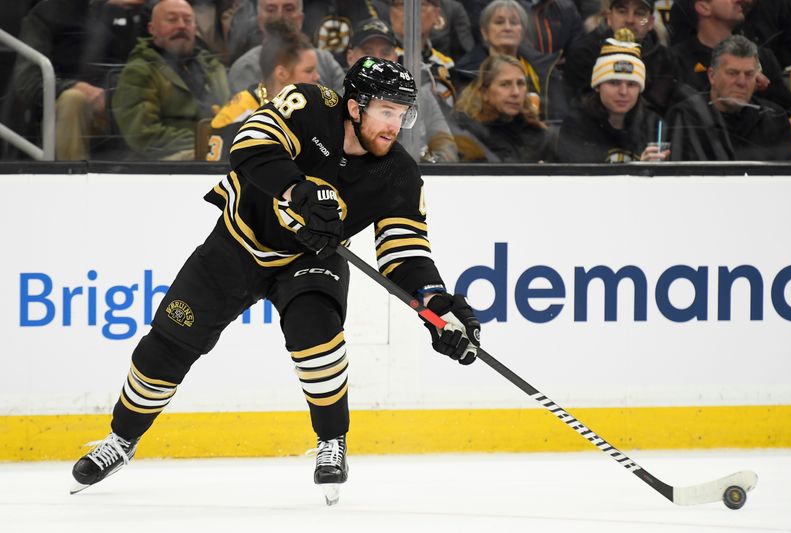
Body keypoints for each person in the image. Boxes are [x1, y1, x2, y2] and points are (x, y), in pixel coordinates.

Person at [70, 56, 482, 505]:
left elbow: (406, 252)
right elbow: (248, 144)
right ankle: (122, 439)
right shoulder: (308, 103)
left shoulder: (398, 173)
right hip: (236, 243)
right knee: (167, 342)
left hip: (309, 260)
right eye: (387, 111)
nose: (395, 125)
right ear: (354, 106)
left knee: (317, 334)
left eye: (403, 114)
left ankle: (332, 442)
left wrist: (437, 306)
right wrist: (297, 190)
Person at [10, 0, 150, 160]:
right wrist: (74, 87)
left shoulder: (122, 13)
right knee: (74, 99)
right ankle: (73, 176)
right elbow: (27, 81)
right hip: (64, 114)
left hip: (118, 110)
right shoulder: (46, 13)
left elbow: (144, 67)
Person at [111, 0, 229, 160]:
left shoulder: (213, 67)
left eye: (187, 20)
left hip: (218, 148)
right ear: (152, 29)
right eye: (172, 19)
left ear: (195, 29)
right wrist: (205, 141)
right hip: (166, 162)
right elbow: (143, 135)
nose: (181, 26)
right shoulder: (139, 70)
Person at [667, 35, 791, 161]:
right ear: (712, 76)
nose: (741, 82)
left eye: (749, 74)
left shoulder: (773, 117)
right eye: (732, 73)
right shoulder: (687, 116)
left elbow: (790, 177)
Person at [206, 18, 319, 162]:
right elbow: (217, 176)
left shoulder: (316, 108)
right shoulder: (235, 117)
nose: (317, 77)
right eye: (309, 71)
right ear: (281, 74)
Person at [347, 17, 458, 162]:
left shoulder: (421, 96)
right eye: (368, 52)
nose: (378, 60)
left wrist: (431, 164)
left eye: (385, 53)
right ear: (350, 57)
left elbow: (446, 145)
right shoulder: (337, 99)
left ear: (395, 57)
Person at [669, 0, 791, 113]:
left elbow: (788, 112)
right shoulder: (675, 61)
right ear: (704, 7)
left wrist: (762, 89)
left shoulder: (763, 57)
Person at [556, 35, 667, 162]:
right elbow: (583, 178)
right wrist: (638, 171)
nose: (623, 92)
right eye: (614, 83)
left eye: (631, 84)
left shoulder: (653, 124)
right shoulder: (577, 124)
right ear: (598, 86)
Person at [564, 0, 679, 115]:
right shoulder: (584, 54)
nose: (630, 20)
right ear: (609, 17)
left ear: (650, 22)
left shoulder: (666, 60)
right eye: (622, 11)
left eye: (639, 14)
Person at [451, 55, 554, 162]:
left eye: (520, 83)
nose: (516, 92)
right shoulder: (463, 133)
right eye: (505, 84)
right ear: (484, 92)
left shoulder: (537, 134)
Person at [228, 0, 344, 94]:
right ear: (259, 19)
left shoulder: (325, 61)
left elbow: (347, 108)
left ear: (300, 18)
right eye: (271, 9)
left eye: (289, 9)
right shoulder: (245, 68)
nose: (280, 16)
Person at [389, 0, 458, 107]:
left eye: (421, 5)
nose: (410, 13)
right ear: (391, 14)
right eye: (402, 4)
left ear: (436, 14)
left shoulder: (445, 65)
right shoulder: (381, 57)